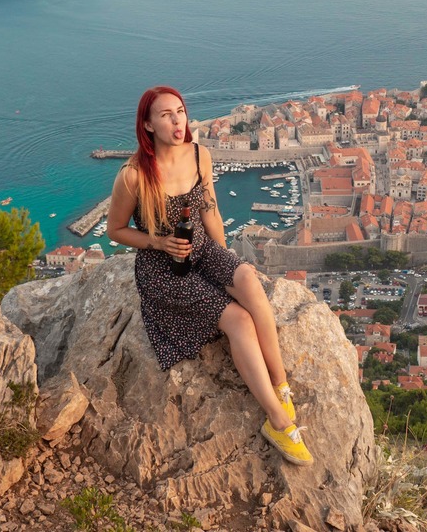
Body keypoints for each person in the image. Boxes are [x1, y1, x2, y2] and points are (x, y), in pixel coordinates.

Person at [107, 85, 312, 466]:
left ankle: (280, 385)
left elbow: (212, 212)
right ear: (148, 125)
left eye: (180, 111)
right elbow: (115, 230)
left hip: (203, 249)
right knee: (238, 320)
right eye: (166, 114)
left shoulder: (201, 155)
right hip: (161, 268)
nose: (177, 120)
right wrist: (158, 242)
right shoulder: (133, 176)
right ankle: (278, 421)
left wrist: (228, 264)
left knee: (249, 281)